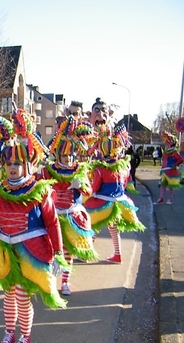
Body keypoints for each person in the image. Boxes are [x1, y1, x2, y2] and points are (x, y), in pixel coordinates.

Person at [0, 109, 68, 343]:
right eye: (9, 163)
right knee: (8, 294)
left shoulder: (39, 191)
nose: (12, 167)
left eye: (17, 163)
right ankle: (8, 332)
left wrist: (58, 254)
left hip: (30, 253)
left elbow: (52, 223)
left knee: (23, 297)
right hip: (5, 252)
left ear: (28, 164)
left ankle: (25, 336)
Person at [40, 116, 99, 296]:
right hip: (52, 216)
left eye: (70, 155)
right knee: (49, 250)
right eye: (64, 155)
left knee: (68, 252)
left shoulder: (80, 169)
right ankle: (49, 281)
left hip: (72, 216)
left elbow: (89, 191)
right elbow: (39, 188)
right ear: (58, 154)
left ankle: (65, 282)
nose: (67, 158)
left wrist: (80, 185)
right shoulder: (48, 170)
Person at [84, 123, 146, 263]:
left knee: (94, 227)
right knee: (113, 229)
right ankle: (117, 254)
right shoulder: (123, 168)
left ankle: (87, 253)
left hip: (103, 203)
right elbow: (125, 185)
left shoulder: (100, 169)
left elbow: (94, 188)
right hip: (120, 202)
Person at [155, 132, 184, 205]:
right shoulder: (166, 152)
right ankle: (161, 198)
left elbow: (181, 159)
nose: (167, 142)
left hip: (171, 170)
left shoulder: (174, 152)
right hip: (164, 170)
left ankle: (170, 199)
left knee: (171, 186)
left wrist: (175, 165)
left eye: (168, 141)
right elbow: (164, 160)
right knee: (162, 185)